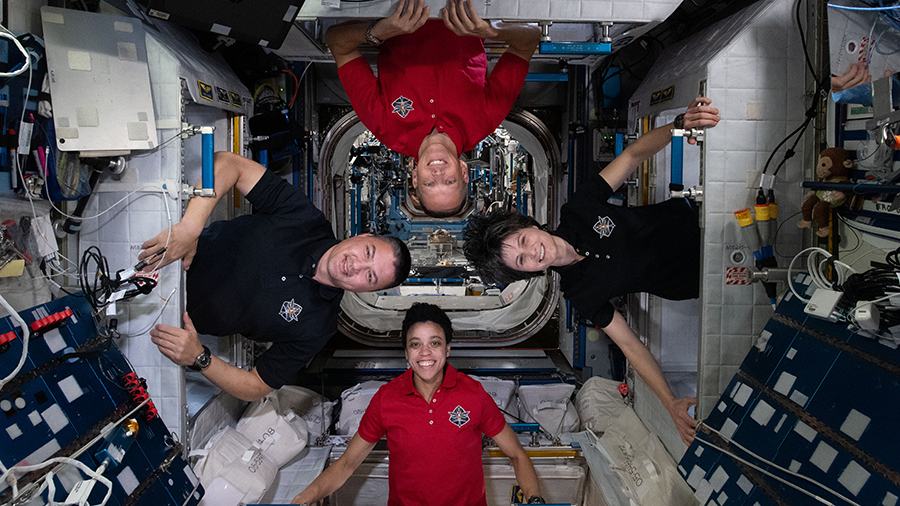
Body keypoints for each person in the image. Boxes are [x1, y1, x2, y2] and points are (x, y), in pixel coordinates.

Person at [462, 98, 721, 446]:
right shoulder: (581, 294)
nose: (533, 252)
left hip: (701, 222)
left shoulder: (579, 208)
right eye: (522, 261)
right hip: (699, 278)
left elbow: (632, 157)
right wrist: (670, 403)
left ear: (530, 224)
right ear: (525, 274)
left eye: (523, 240)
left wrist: (678, 123)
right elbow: (629, 344)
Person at [139, 152, 411, 402]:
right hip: (164, 252)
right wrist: (190, 227)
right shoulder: (303, 218)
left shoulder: (318, 327)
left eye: (370, 276)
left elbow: (256, 387)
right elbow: (228, 164)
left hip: (161, 319)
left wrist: (200, 358)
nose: (356, 266)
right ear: (362, 236)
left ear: (365, 291)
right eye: (367, 252)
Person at [291, 303, 543, 506]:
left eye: (434, 343)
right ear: (406, 353)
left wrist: (535, 499)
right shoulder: (386, 399)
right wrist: (309, 495)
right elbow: (347, 464)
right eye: (415, 344)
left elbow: (517, 455)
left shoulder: (474, 394)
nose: (425, 353)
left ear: (447, 350)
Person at [325, 0, 540, 217]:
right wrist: (492, 30)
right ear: (464, 172)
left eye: (429, 183)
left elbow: (337, 41)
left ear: (415, 177)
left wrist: (377, 31)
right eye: (449, 181)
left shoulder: (384, 124)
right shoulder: (485, 118)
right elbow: (530, 39)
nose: (438, 173)